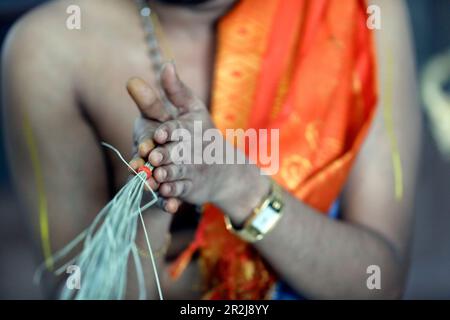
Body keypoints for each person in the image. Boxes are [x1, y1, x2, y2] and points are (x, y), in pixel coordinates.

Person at [2, 0, 421, 299]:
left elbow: (378, 282)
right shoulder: (51, 47)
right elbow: (76, 291)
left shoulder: (359, 12)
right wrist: (155, 184)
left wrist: (238, 184)